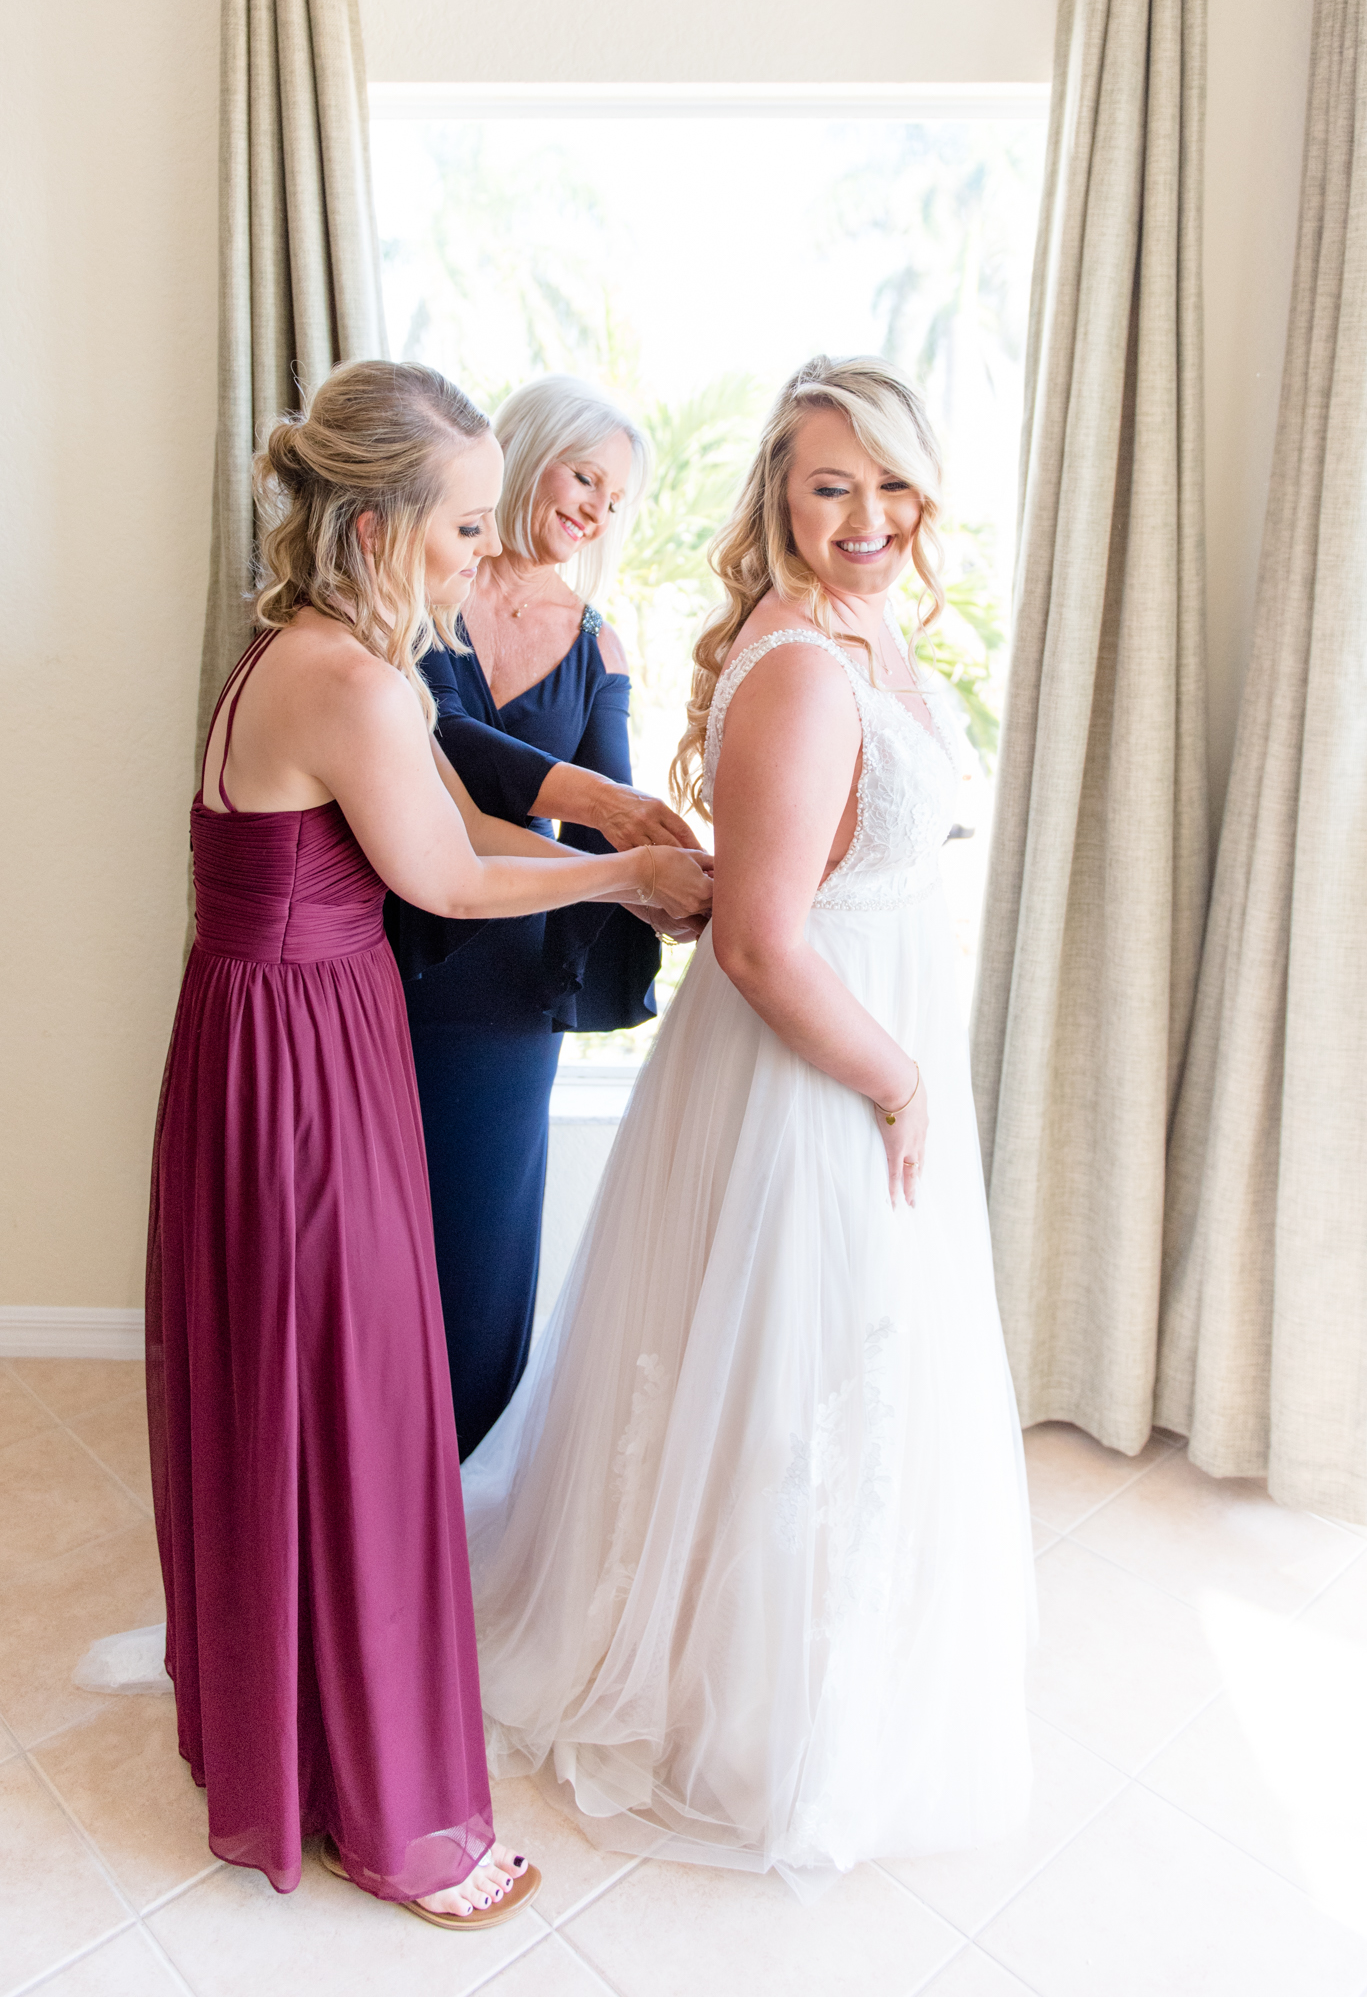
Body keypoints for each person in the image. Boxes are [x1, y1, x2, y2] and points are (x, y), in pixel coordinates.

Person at [144, 360, 712, 1928]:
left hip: (265, 1046)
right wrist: (612, 878)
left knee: (296, 1390)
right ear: (385, 518)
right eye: (464, 523)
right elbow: (449, 879)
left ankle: (287, 1735)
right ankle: (394, 1818)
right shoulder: (350, 677)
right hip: (304, 1065)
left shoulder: (299, 651)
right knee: (356, 1401)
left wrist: (601, 833)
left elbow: (449, 835)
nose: (482, 552)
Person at [460, 356, 1034, 1899]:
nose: (863, 516)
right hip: (813, 1073)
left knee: (842, 1375)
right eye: (826, 484)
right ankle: (738, 1702)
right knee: (792, 1373)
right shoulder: (796, 665)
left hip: (855, 1052)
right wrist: (899, 1080)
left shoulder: (874, 628)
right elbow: (762, 940)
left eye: (886, 482)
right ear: (778, 498)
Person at [386, 375, 701, 1457]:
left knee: (480, 1248)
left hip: (511, 983)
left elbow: (616, 803)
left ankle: (461, 1499)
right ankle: (360, 1494)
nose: (596, 511)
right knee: (372, 1248)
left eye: (616, 500)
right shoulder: (420, 593)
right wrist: (617, 820)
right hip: (388, 963)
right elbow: (453, 768)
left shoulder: (598, 646)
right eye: (584, 476)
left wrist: (677, 879)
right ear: (529, 452)